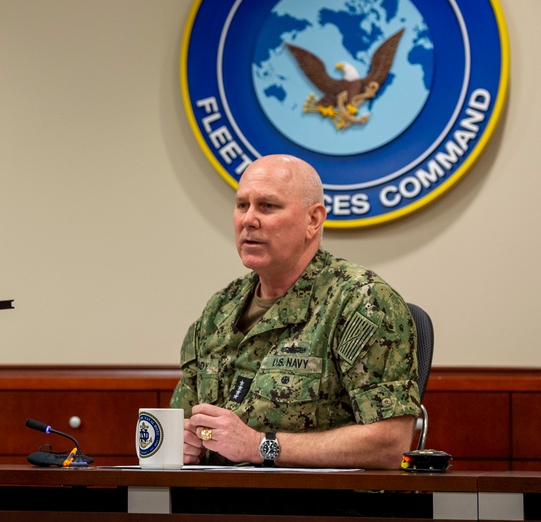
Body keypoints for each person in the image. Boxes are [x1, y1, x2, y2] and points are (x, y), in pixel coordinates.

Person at [169, 154, 419, 469]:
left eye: (267, 206)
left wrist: (260, 446)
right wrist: (183, 442)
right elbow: (184, 418)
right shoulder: (220, 308)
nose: (249, 219)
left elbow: (390, 444)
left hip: (317, 509)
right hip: (215, 504)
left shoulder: (360, 301)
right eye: (242, 205)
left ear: (313, 220)